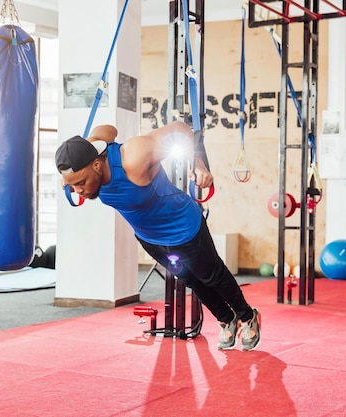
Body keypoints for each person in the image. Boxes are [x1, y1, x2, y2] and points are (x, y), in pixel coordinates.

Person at [55, 121, 261, 351]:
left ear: (96, 164)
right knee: (190, 280)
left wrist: (199, 165)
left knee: (211, 276)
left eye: (81, 183)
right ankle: (225, 319)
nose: (79, 190)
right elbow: (108, 129)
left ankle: (247, 316)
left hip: (184, 229)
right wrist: (74, 178)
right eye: (72, 186)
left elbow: (181, 130)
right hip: (150, 239)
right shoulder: (92, 150)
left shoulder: (135, 156)